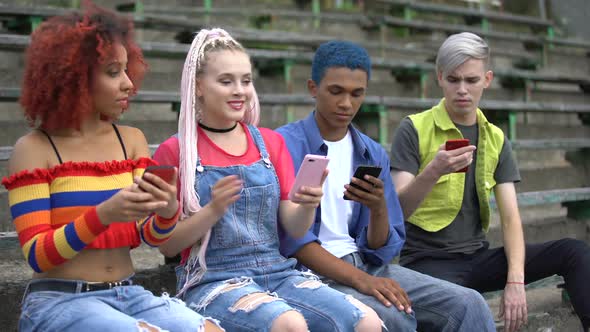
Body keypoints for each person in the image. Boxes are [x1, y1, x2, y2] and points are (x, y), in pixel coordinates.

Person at [1, 3, 222, 332]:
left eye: (127, 70)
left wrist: (167, 210)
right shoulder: (33, 149)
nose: (129, 83)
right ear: (74, 77)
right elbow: (38, 255)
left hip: (127, 293)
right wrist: (102, 214)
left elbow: (145, 235)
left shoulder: (130, 140)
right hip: (60, 300)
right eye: (113, 72)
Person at [153, 28, 382, 332]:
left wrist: (308, 203)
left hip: (278, 273)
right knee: (290, 324)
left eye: (246, 81)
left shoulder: (270, 143)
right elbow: (167, 246)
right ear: (198, 86)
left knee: (365, 320)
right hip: (213, 280)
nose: (240, 90)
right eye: (226, 81)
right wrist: (212, 211)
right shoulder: (176, 151)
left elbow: (295, 227)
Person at [277, 40, 496, 332]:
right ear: (313, 88)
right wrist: (363, 281)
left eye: (357, 94)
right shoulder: (285, 145)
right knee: (393, 317)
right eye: (336, 91)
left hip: (368, 265)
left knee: (469, 303)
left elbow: (379, 249)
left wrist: (378, 207)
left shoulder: (370, 152)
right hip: (310, 275)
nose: (346, 104)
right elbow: (293, 242)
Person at [390, 32, 590, 332]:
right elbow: (396, 213)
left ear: (487, 79)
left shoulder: (495, 138)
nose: (462, 90)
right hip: (428, 264)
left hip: (477, 258)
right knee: (467, 303)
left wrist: (515, 280)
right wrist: (433, 171)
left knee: (574, 251)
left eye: (471, 80)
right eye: (454, 79)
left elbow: (510, 219)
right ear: (440, 78)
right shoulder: (413, 129)